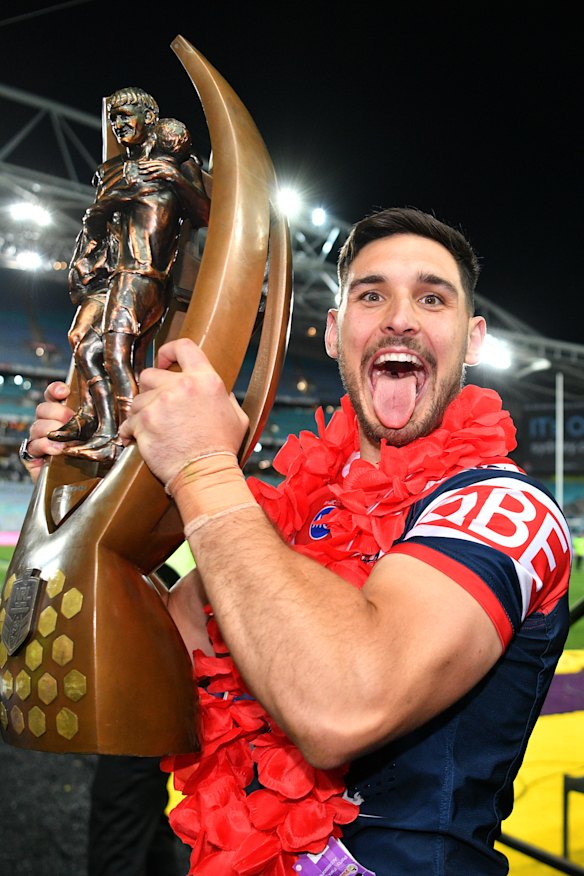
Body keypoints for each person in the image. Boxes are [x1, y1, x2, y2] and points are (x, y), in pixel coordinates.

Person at [24, 207, 572, 875]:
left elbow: (343, 704)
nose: (400, 316)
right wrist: (80, 502)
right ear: (337, 332)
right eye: (371, 294)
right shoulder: (279, 519)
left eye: (432, 297)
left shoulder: (505, 506)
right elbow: (148, 660)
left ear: (474, 337)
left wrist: (201, 467)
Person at [51, 88, 210, 462]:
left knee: (116, 352)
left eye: (126, 116)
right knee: (83, 344)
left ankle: (118, 436)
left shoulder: (176, 162)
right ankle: (95, 418)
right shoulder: (110, 171)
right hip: (111, 275)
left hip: (142, 273)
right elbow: (98, 221)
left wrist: (174, 175)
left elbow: (205, 215)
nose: (119, 125)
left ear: (150, 118)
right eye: (114, 119)